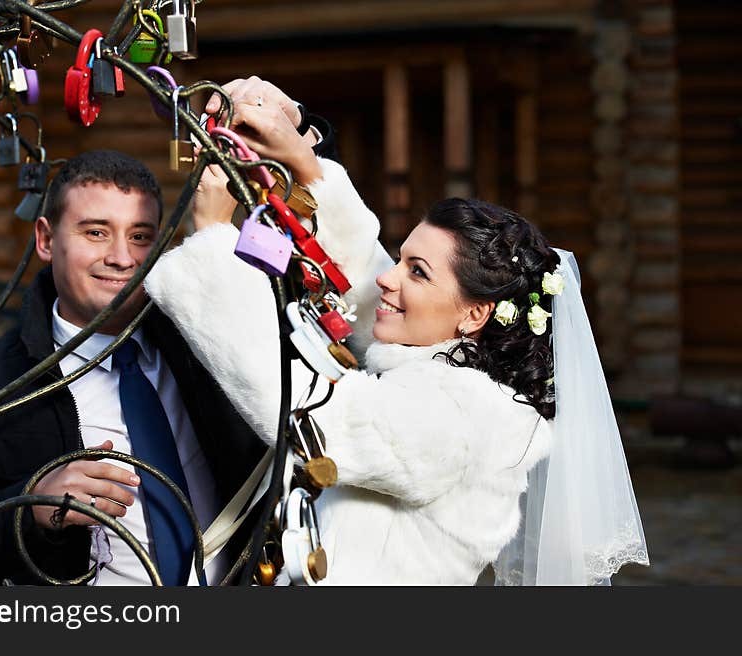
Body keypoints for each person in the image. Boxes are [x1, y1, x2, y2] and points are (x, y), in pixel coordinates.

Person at [143, 79, 650, 584]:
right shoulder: (443, 369)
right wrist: (303, 164)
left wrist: (211, 238)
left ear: (475, 315)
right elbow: (364, 287)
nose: (390, 276)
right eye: (401, 258)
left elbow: (320, 418)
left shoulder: (466, 412)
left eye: (418, 271)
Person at [0, 136, 335, 585]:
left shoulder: (208, 345)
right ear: (46, 240)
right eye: (96, 232)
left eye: (140, 237)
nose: (120, 258)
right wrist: (29, 506)